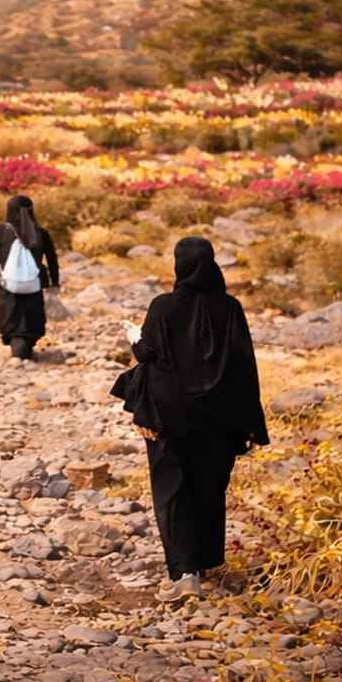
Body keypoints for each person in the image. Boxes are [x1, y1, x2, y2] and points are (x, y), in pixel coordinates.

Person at [110, 237, 267, 603]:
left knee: (173, 491)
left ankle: (186, 572)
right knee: (208, 492)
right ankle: (205, 562)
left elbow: (147, 353)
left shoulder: (163, 306)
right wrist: (249, 424)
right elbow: (246, 367)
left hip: (168, 418)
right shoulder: (230, 309)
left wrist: (134, 336)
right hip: (220, 421)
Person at [0, 195, 61, 360]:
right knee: (32, 320)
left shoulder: (0, 231)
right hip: (33, 286)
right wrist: (54, 283)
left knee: (11, 319)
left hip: (6, 286)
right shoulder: (41, 233)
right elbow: (52, 260)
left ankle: (16, 349)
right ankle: (27, 349)